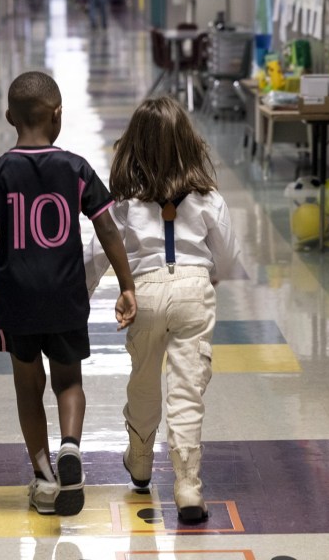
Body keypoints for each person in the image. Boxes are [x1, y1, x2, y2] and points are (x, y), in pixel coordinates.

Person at [0, 71, 137, 517]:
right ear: (58, 115)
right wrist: (126, 284)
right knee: (69, 382)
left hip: (15, 302)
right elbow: (107, 227)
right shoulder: (77, 168)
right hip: (65, 297)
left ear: (9, 117)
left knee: (28, 390)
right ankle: (71, 447)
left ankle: (45, 477)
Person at [84, 97, 246, 523]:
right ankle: (188, 485)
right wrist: (204, 278)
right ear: (188, 144)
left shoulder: (122, 203)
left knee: (143, 380)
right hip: (194, 290)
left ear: (132, 147)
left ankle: (139, 461)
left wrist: (75, 298)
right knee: (186, 390)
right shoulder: (209, 199)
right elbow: (228, 259)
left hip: (144, 294)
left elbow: (96, 256)